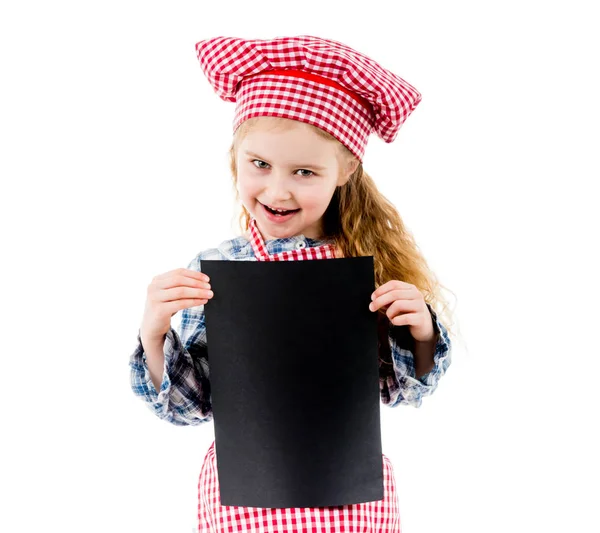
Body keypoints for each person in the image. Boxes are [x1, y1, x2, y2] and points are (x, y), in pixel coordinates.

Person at [129, 35, 454, 533]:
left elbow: (398, 392)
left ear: (346, 169)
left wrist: (422, 333)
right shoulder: (217, 267)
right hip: (244, 507)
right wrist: (155, 334)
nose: (277, 190)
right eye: (259, 164)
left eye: (304, 171)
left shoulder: (366, 267)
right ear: (236, 155)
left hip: (351, 506)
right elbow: (192, 407)